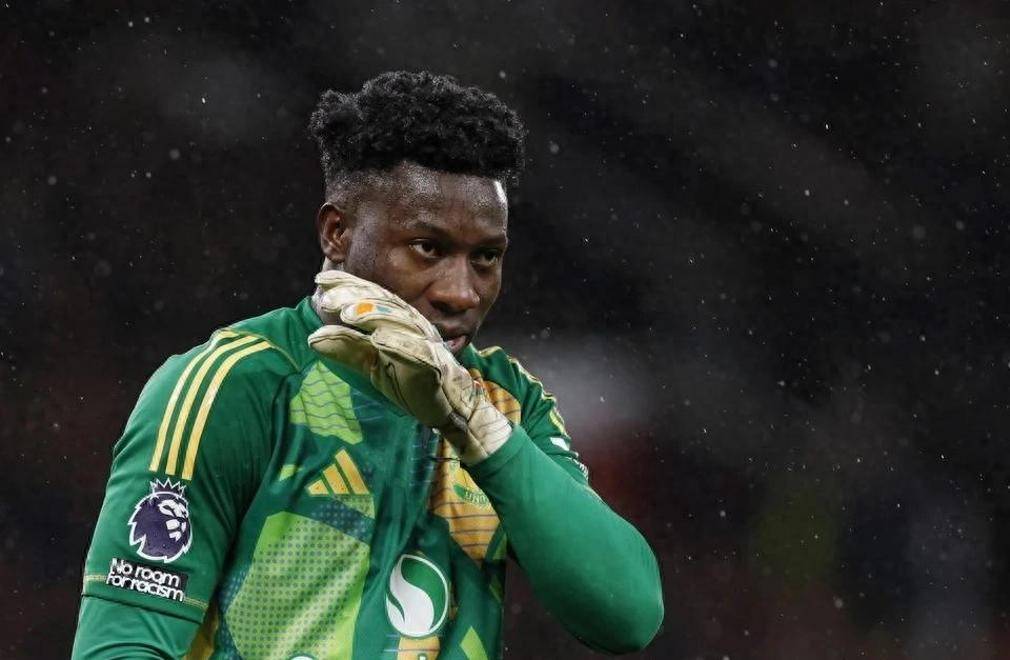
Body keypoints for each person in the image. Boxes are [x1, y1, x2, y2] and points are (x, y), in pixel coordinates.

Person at [72, 70, 664, 659]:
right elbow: (119, 648)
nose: (461, 292)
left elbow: (627, 615)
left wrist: (476, 431)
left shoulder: (505, 402)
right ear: (337, 233)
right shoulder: (234, 386)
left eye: (486, 258)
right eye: (428, 249)